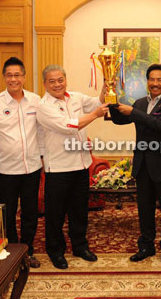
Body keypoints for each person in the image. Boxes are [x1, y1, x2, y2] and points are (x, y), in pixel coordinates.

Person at [108, 64, 161, 265]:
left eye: (160, 80)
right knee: (144, 209)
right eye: (152, 79)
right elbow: (119, 120)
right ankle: (146, 245)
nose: (155, 83)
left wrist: (132, 111)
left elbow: (160, 124)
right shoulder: (140, 103)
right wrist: (111, 98)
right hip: (143, 166)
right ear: (147, 81)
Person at [36, 65, 108, 269]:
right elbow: (69, 126)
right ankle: (55, 251)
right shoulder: (43, 107)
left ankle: (80, 246)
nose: (57, 84)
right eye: (52, 81)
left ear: (65, 80)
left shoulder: (75, 97)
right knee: (55, 214)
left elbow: (97, 101)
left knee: (79, 211)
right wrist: (95, 114)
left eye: (60, 80)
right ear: (45, 84)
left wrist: (106, 86)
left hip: (81, 164)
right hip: (58, 168)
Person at [0, 57, 44, 268]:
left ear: (24, 77)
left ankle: (27, 252)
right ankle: (12, 252)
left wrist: (43, 155)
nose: (13, 79)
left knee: (30, 213)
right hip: (6, 169)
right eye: (9, 75)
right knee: (7, 215)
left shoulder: (36, 100)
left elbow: (42, 130)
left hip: (32, 167)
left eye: (17, 75)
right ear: (4, 77)